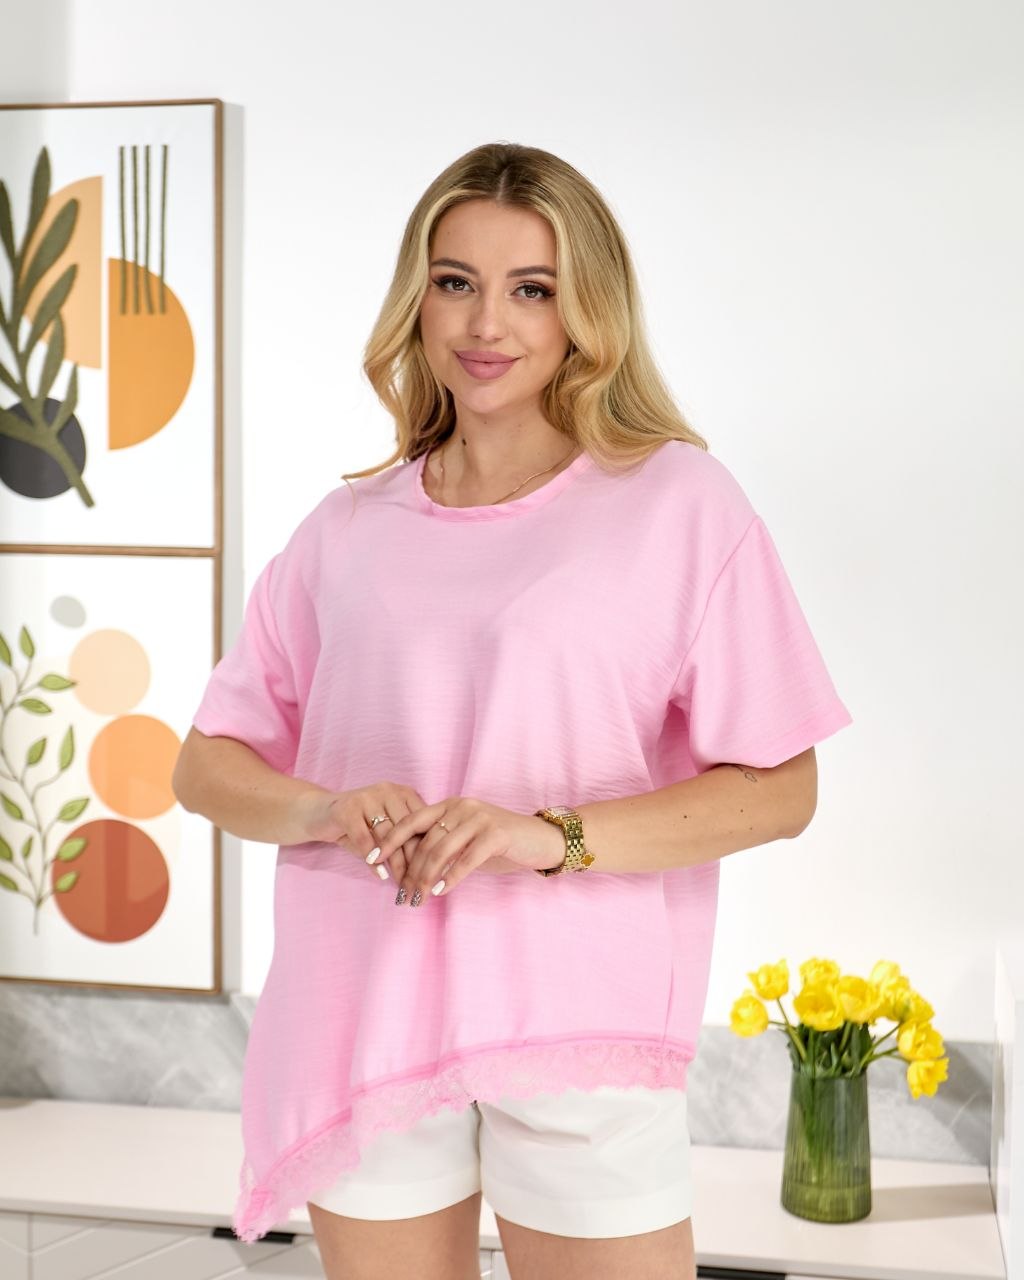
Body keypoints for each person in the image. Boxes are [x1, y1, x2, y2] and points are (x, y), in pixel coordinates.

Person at [173, 141, 851, 1280]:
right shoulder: (347, 530)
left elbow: (782, 790)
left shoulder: (677, 502)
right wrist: (327, 809)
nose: (487, 322)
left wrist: (547, 835)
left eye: (532, 288)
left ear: (586, 310)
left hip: (577, 1024)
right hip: (367, 1015)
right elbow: (206, 765)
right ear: (417, 298)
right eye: (456, 281)